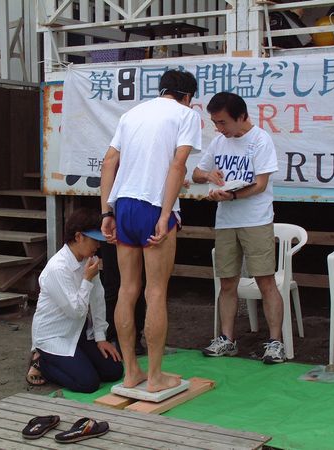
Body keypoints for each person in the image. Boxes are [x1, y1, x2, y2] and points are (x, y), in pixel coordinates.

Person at [100, 69, 202, 392]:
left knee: (127, 289)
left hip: (124, 204)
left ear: (162, 90)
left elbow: (108, 163)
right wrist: (166, 212)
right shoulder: (186, 115)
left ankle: (131, 372)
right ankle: (155, 376)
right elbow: (178, 165)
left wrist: (106, 210)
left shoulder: (132, 114)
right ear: (187, 97)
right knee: (155, 291)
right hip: (153, 205)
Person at [192, 92, 286, 364]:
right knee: (228, 281)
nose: (219, 128)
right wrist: (209, 176)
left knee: (265, 280)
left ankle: (275, 342)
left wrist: (231, 194)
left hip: (256, 219)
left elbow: (260, 183)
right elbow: (196, 174)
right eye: (215, 123)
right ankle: (226, 339)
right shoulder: (220, 142)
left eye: (223, 122)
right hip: (226, 221)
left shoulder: (260, 140)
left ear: (242, 117)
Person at [28, 208, 123, 393]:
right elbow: (76, 311)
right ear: (79, 237)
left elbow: (97, 300)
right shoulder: (57, 268)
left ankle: (75, 361)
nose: (98, 245)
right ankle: (41, 363)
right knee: (88, 383)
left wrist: (101, 337)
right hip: (52, 336)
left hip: (77, 331)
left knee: (114, 370)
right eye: (94, 240)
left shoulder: (89, 259)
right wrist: (87, 279)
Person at [100, 242, 147, 355]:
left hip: (135, 231)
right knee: (113, 282)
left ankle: (135, 338)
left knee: (138, 283)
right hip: (113, 233)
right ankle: (112, 336)